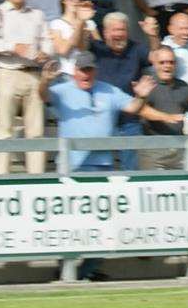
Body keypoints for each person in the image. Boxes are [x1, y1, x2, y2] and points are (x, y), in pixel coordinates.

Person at [38, 52, 151, 281]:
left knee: (104, 222)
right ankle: (66, 269)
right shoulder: (63, 89)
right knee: (71, 222)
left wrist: (142, 97)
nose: (85, 74)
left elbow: (132, 108)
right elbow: (43, 97)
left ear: (95, 70)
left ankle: (84, 271)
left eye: (89, 70)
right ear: (75, 71)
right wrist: (45, 80)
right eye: (82, 70)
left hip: (103, 166)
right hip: (72, 167)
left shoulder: (108, 90)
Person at [0, 0, 51, 174]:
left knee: (36, 130)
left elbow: (47, 42)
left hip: (34, 73)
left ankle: (37, 178)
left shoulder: (37, 14)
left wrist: (43, 53)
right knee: (4, 128)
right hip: (7, 71)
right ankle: (1, 177)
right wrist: (14, 46)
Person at [90, 12, 151, 170]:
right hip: (101, 119)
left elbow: (157, 58)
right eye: (114, 30)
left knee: (132, 170)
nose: (119, 34)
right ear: (105, 33)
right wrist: (82, 21)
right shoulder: (96, 49)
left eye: (122, 30)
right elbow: (79, 47)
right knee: (99, 170)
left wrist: (153, 36)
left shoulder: (136, 48)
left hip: (129, 120)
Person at [48, 0, 96, 76]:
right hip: (65, 73)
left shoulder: (89, 23)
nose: (76, 1)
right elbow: (62, 50)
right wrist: (80, 24)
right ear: (64, 0)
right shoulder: (56, 23)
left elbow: (83, 48)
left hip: (85, 73)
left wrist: (81, 22)